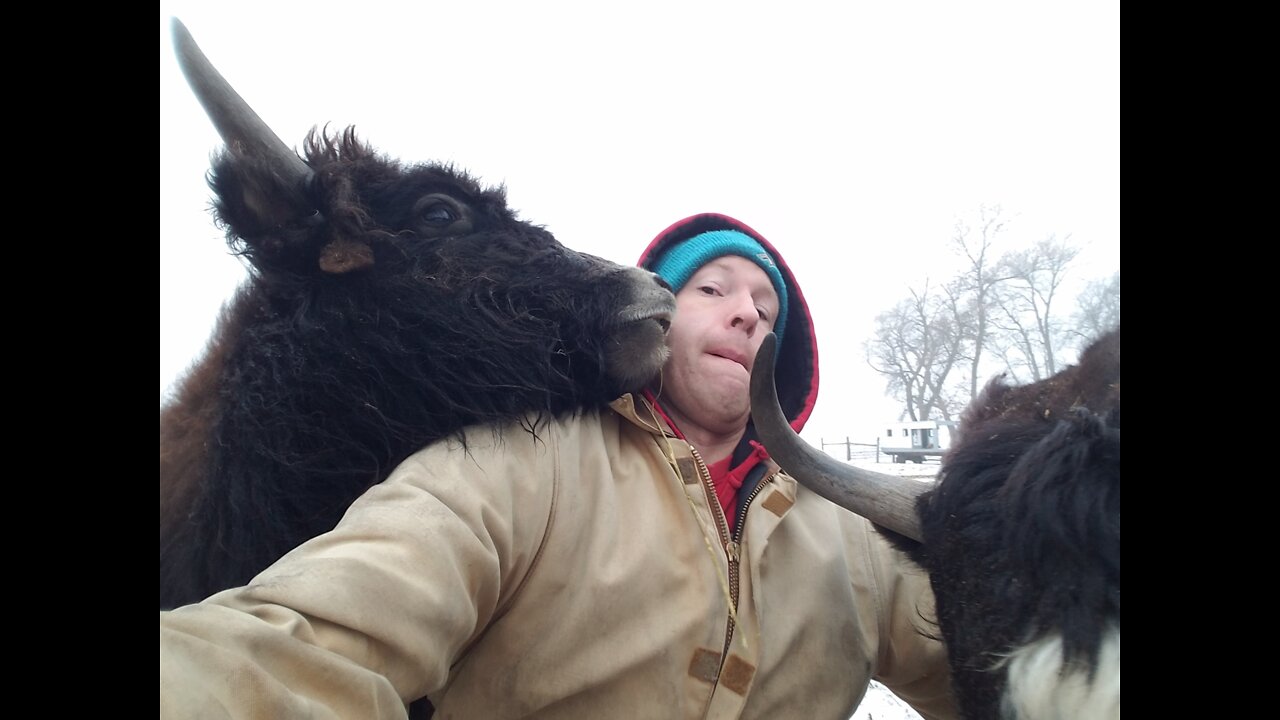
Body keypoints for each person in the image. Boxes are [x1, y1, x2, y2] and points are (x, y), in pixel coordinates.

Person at [160, 212, 957, 719]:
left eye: (766, 306)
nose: (747, 311)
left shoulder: (856, 538)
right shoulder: (519, 462)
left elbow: (999, 670)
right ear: (657, 318)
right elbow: (319, 641)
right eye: (713, 288)